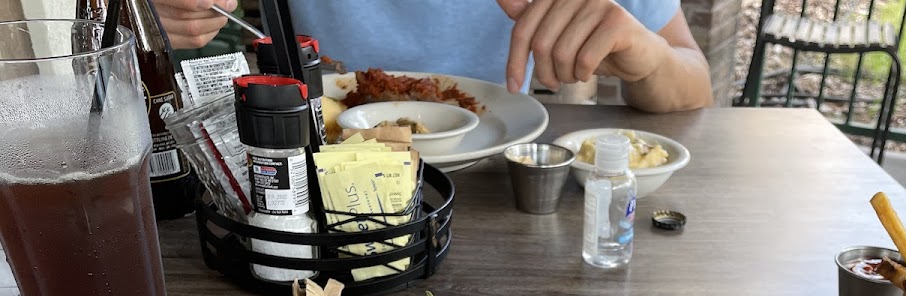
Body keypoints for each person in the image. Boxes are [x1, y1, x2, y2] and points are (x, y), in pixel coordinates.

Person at [153, 0, 713, 112]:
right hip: (325, 185)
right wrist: (149, 14)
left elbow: (695, 83)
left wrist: (650, 56)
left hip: (503, 189)